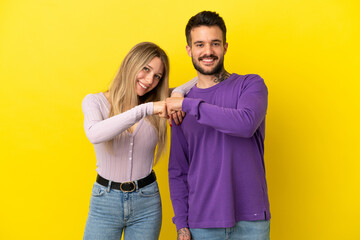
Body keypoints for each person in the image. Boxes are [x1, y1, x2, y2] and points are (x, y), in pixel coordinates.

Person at [166, 11, 271, 240]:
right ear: (189, 50)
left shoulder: (250, 85)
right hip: (201, 223)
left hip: (251, 220)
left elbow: (245, 123)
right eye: (200, 44)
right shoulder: (180, 106)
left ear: (224, 47)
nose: (207, 51)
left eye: (214, 43)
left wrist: (187, 103)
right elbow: (178, 170)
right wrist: (181, 224)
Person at [82, 42, 169, 240]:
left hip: (147, 201)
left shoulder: (157, 101)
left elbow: (194, 84)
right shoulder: (94, 102)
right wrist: (145, 109)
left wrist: (178, 95)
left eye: (157, 76)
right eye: (146, 69)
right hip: (105, 201)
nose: (150, 80)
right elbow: (95, 134)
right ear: (130, 64)